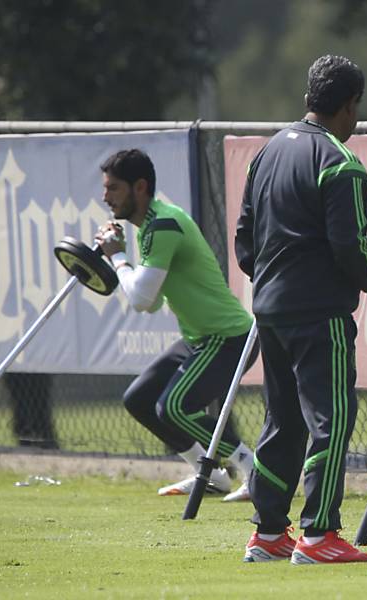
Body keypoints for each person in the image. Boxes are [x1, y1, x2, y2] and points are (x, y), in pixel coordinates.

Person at [235, 55, 367, 564]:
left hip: (271, 310)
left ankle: (268, 533)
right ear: (349, 106)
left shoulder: (268, 152)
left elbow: (244, 239)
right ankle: (320, 535)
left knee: (282, 422)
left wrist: (273, 283)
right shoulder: (340, 163)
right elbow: (350, 246)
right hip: (319, 312)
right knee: (332, 419)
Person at [94, 149, 256, 503]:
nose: (105, 197)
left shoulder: (163, 224)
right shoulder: (150, 226)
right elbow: (150, 304)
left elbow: (139, 300)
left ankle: (254, 468)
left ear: (140, 187)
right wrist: (120, 257)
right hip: (201, 338)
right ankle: (210, 474)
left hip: (229, 337)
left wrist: (117, 257)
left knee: (174, 408)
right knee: (139, 399)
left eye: (114, 188)